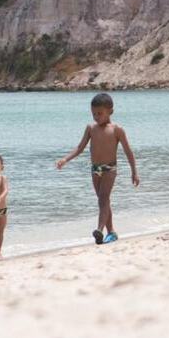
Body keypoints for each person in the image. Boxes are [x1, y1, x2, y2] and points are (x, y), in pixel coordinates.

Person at [56, 93, 139, 244]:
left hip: (109, 169)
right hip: (95, 169)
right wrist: (65, 159)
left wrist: (134, 171)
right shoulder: (91, 128)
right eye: (93, 113)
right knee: (103, 201)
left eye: (99, 113)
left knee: (103, 198)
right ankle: (111, 232)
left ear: (110, 111)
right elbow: (80, 148)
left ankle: (99, 230)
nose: (96, 117)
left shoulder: (117, 130)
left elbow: (128, 151)